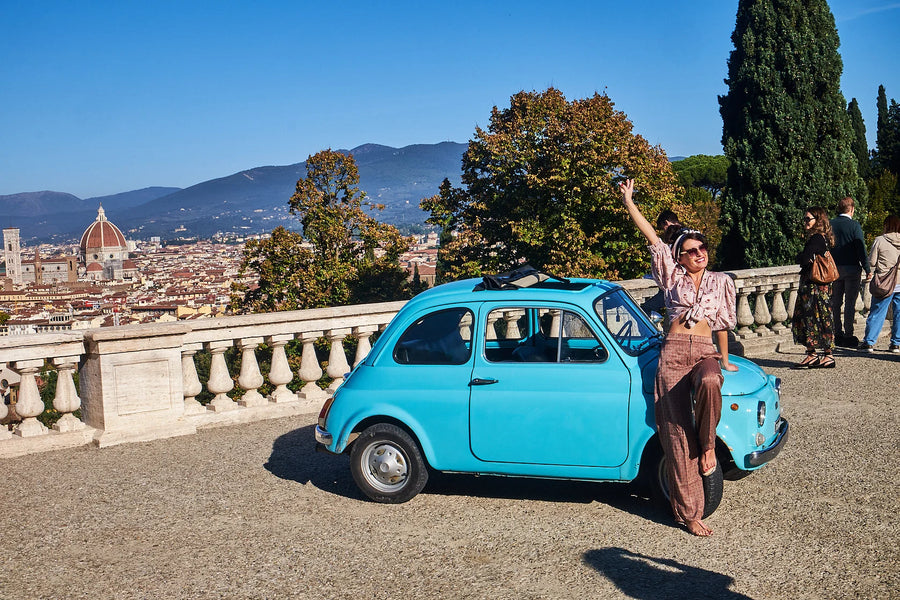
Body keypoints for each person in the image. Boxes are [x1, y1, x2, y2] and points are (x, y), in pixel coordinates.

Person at [620, 179, 737, 537]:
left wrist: (726, 359)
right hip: (672, 353)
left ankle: (708, 447)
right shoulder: (671, 277)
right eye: (691, 249)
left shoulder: (721, 281)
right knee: (673, 432)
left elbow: (722, 326)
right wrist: (629, 201)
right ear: (680, 257)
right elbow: (652, 239)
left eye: (702, 247)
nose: (699, 252)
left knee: (710, 380)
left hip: (703, 351)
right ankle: (689, 513)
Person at [791, 207, 836, 368]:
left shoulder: (816, 238)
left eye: (808, 219)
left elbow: (804, 259)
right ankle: (815, 354)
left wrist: (801, 257)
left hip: (813, 287)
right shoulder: (822, 238)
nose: (805, 222)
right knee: (815, 318)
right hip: (818, 287)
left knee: (811, 318)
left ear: (818, 221)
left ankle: (825, 355)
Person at [830, 197, 870, 347]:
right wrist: (867, 268)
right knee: (849, 303)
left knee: (835, 302)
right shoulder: (854, 225)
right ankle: (848, 334)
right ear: (851, 209)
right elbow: (861, 248)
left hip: (834, 269)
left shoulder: (831, 224)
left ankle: (837, 333)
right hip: (852, 268)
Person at [858, 215, 900, 353]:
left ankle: (869, 342)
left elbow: (871, 262)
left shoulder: (880, 240)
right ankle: (896, 343)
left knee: (877, 312)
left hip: (884, 282)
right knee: (899, 314)